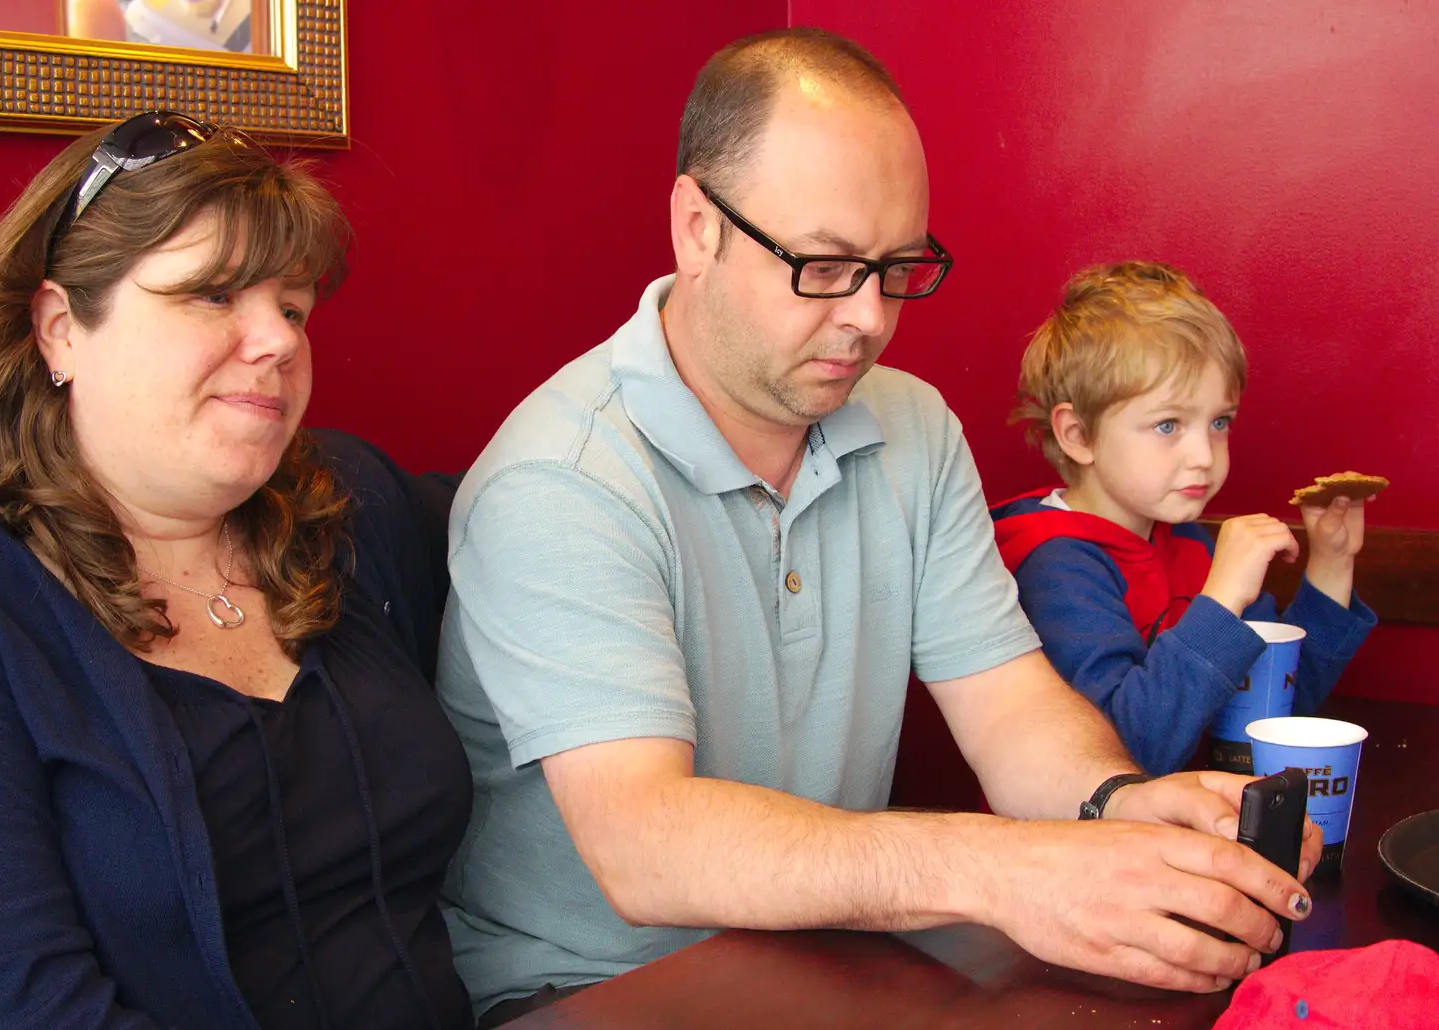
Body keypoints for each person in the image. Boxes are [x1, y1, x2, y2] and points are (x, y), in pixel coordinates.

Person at [435, 28, 1320, 1028]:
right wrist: (1001, 867)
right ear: (696, 226)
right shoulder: (564, 477)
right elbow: (645, 843)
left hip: (829, 953)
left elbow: (1007, 705)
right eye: (823, 264)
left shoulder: (911, 425)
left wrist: (1110, 803)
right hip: (587, 986)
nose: (869, 316)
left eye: (898, 267)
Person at [0, 112, 473, 1030]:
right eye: (214, 296)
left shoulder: (350, 509)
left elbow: (559, 513)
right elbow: (19, 1010)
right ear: (60, 330)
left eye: (292, 307)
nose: (280, 341)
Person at [990, 262, 1377, 775]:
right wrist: (1220, 600)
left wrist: (1330, 564)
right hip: (1084, 842)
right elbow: (1122, 757)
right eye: (1168, 424)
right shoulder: (1055, 567)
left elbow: (1268, 713)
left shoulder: (1191, 543)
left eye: (1219, 422)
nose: (1203, 454)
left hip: (1195, 825)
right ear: (1079, 435)